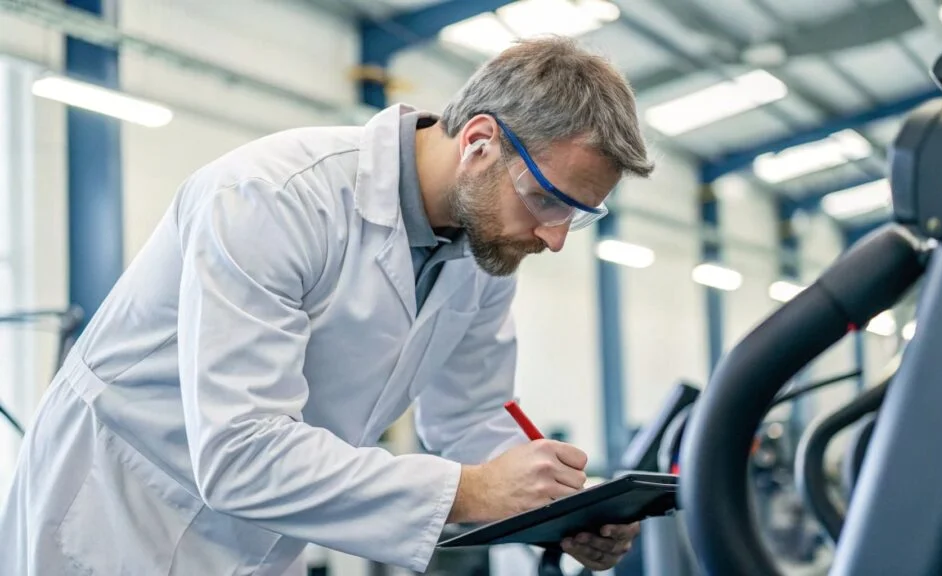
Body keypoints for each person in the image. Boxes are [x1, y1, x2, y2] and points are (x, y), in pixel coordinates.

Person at [0, 36, 654, 575]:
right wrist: (473, 491)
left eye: (580, 215)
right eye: (549, 200)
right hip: (116, 518)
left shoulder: (485, 250)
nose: (556, 238)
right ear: (480, 143)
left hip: (260, 534)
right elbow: (241, 452)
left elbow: (472, 415)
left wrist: (560, 510)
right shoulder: (269, 198)